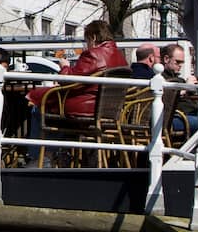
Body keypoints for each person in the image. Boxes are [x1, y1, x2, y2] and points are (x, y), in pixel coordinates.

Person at [25, 20, 128, 165]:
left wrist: (65, 67)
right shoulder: (120, 58)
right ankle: (52, 155)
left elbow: (69, 80)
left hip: (85, 109)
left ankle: (39, 158)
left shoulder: (93, 55)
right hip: (108, 112)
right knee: (54, 109)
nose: (86, 44)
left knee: (39, 108)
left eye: (86, 40)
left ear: (92, 37)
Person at [160, 43, 198, 135]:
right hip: (174, 117)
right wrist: (185, 88)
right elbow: (165, 97)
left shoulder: (179, 79)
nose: (180, 65)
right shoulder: (161, 78)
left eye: (182, 62)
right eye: (177, 62)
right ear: (166, 59)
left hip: (190, 114)